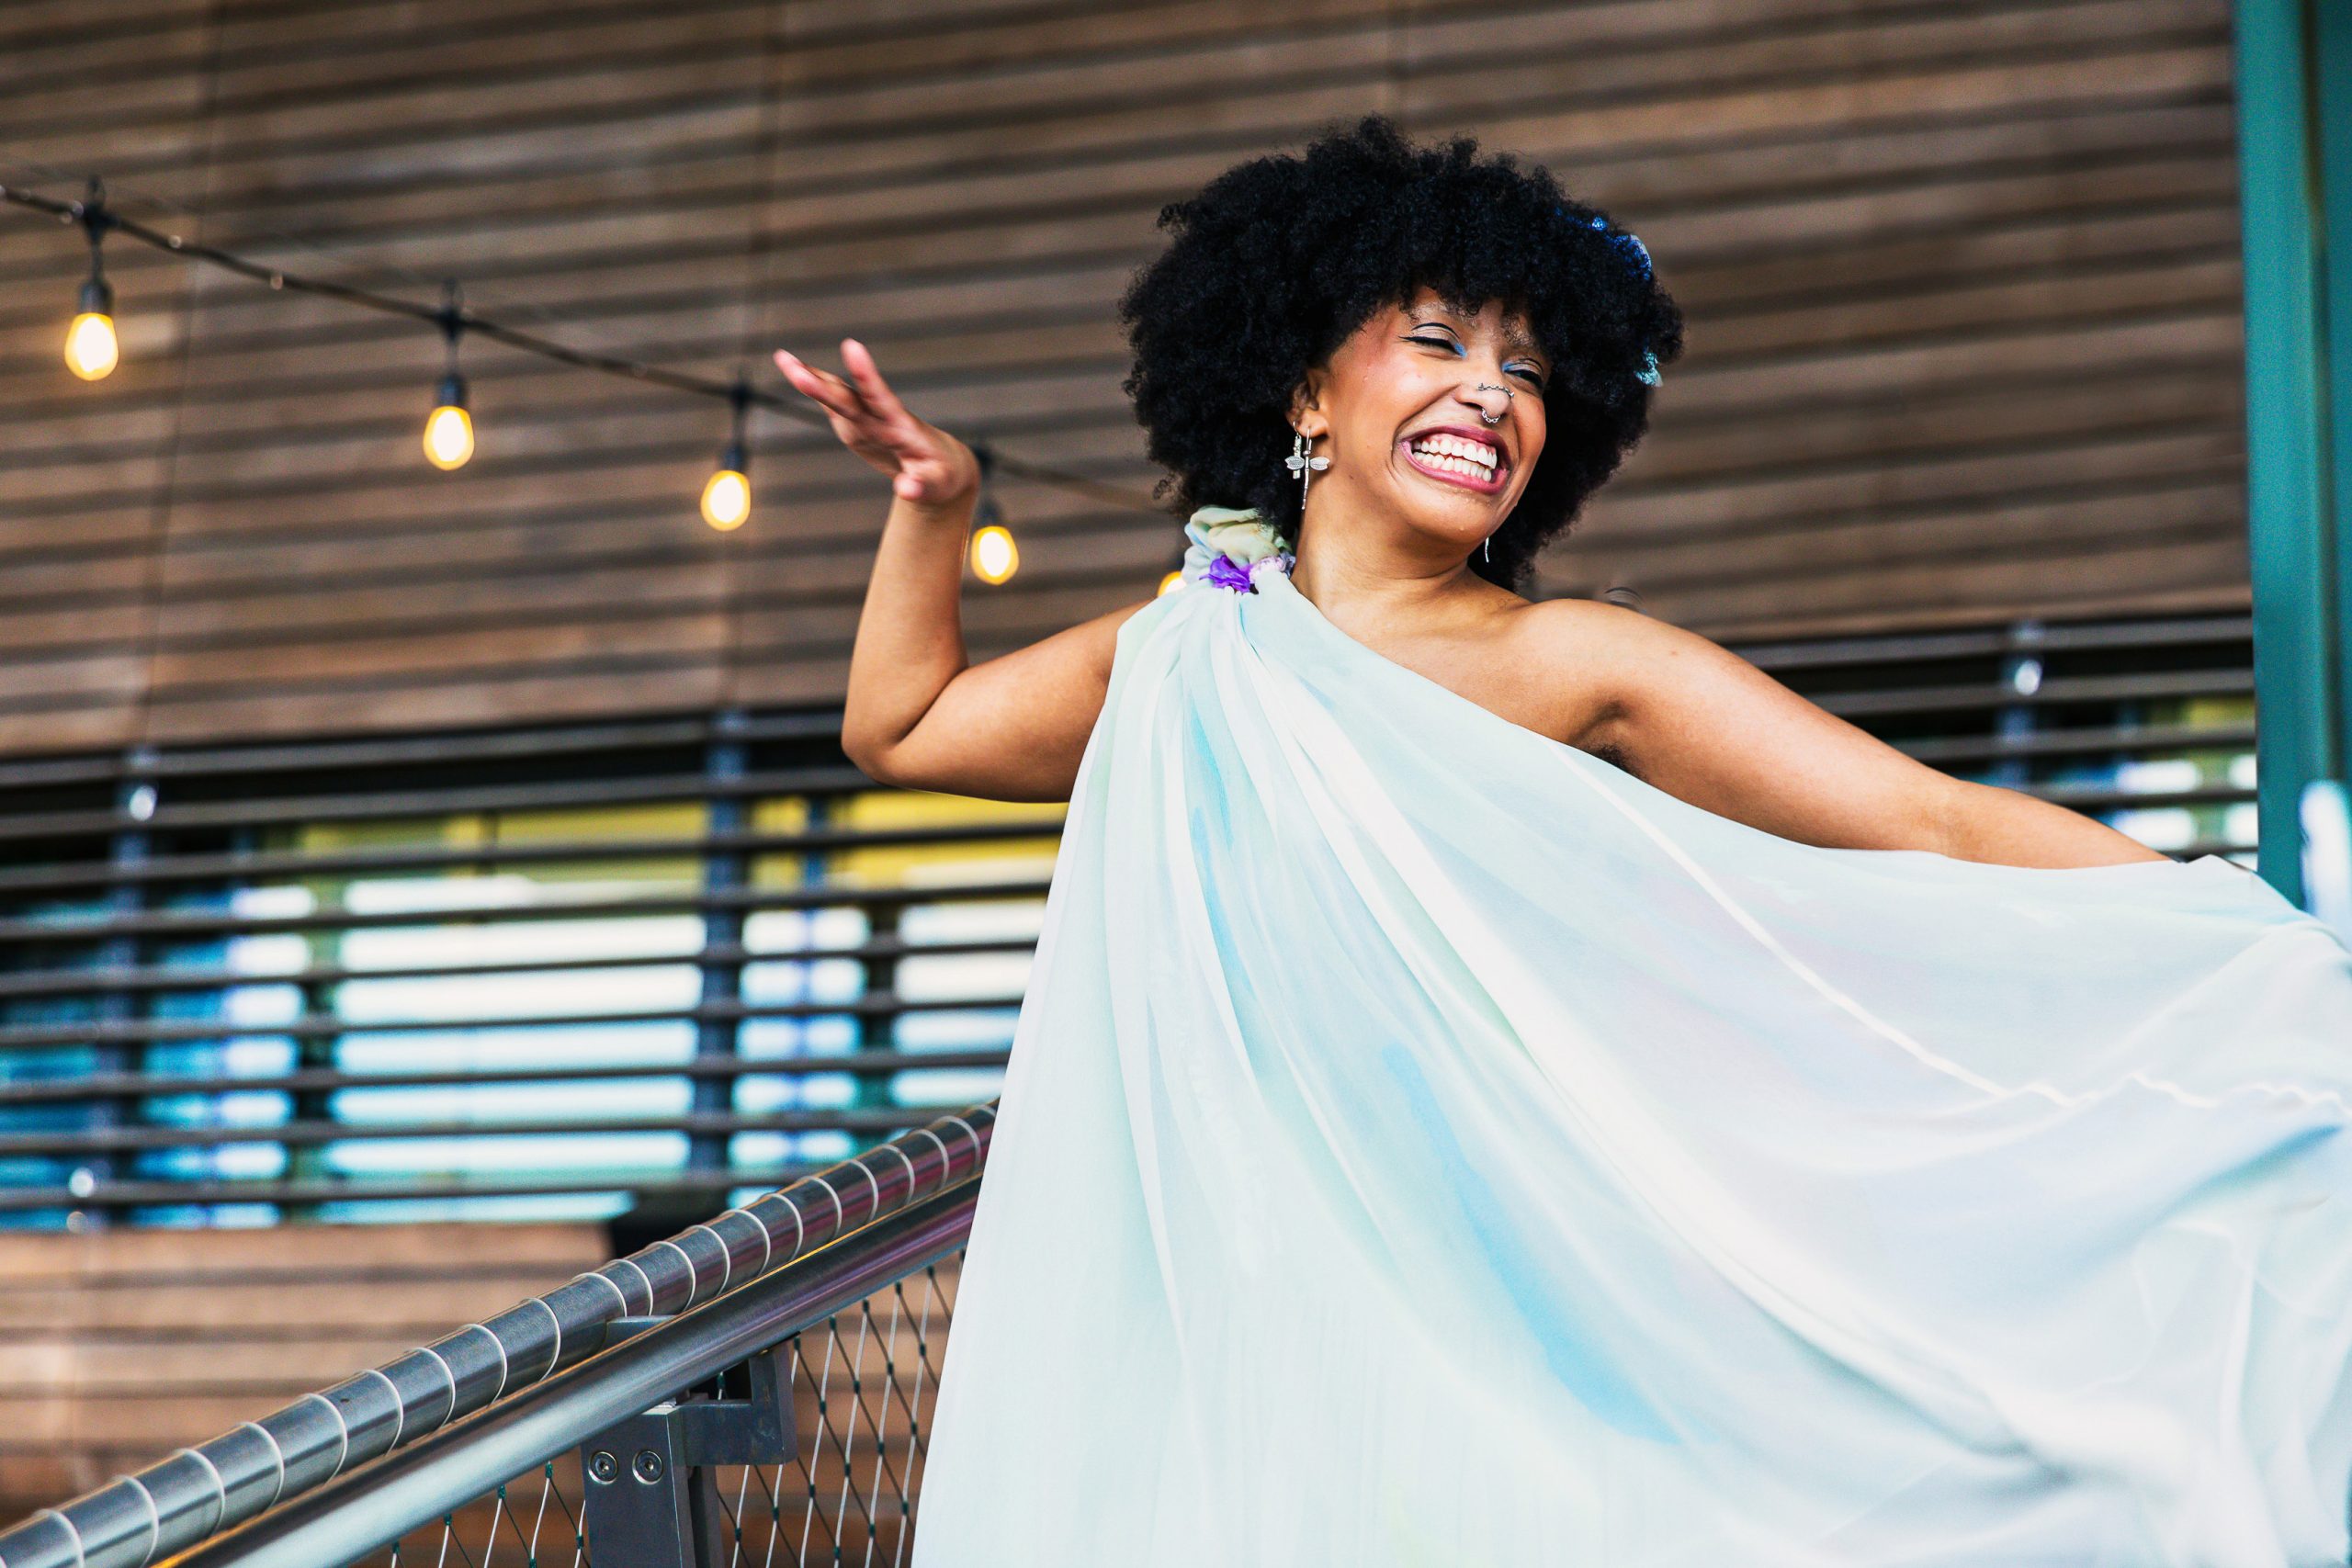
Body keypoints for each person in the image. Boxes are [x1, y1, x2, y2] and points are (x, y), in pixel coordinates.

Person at [777, 114, 2352, 1566]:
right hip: (1234, 1306)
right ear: (1304, 389)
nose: (1489, 393)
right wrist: (936, 502)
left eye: (1529, 372)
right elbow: (902, 728)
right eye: (1439, 342)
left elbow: (1927, 818)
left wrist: (2257, 941)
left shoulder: (1580, 665)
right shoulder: (1187, 650)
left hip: (1500, 1306)